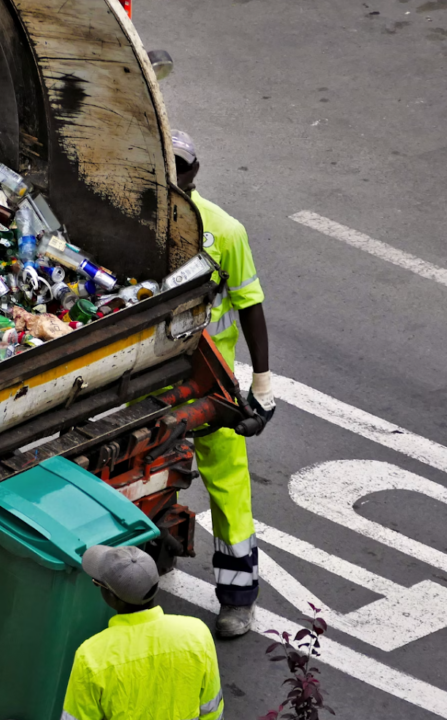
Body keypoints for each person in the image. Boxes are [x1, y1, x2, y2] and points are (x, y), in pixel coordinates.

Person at [171, 129, 276, 639]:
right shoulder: (133, 218)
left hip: (209, 379)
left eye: (181, 166)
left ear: (195, 171)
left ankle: (238, 599)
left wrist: (263, 382)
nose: (173, 174)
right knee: (146, 467)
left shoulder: (225, 231)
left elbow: (250, 303)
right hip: (149, 374)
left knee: (228, 485)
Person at [53, 545, 226, 720]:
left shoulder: (92, 656)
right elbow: (212, 718)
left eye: (98, 584)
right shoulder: (197, 636)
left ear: (111, 597)